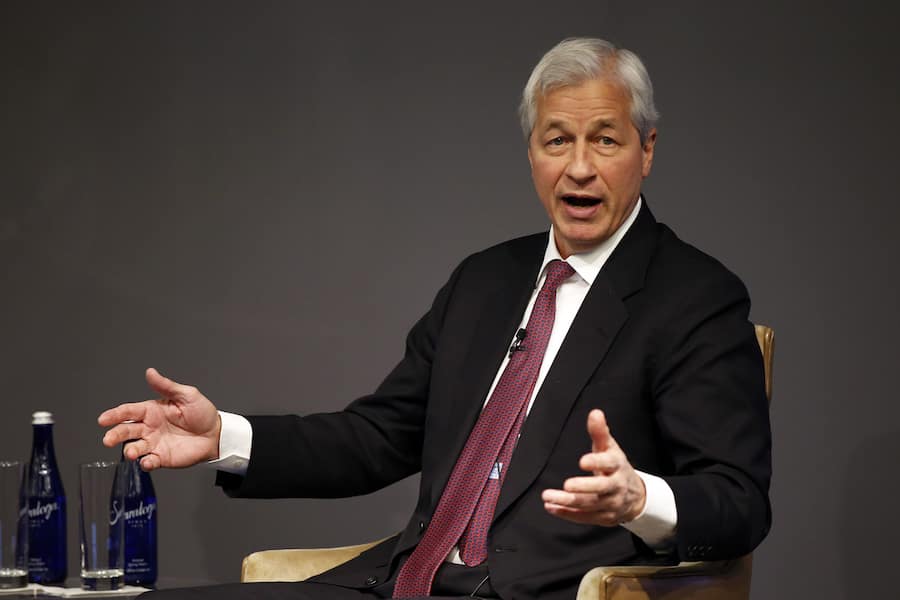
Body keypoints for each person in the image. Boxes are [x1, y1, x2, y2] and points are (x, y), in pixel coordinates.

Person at [99, 37, 771, 600]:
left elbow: (739, 503)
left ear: (646, 149)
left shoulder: (695, 299)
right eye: (557, 140)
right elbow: (378, 438)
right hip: (400, 583)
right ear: (531, 152)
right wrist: (223, 436)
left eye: (605, 140)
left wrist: (639, 500)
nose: (579, 168)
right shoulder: (485, 280)